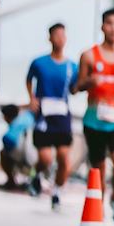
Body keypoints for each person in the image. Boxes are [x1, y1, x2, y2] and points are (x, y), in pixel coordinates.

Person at [76, 8, 114, 225]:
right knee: (98, 168)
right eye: (109, 23)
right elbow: (75, 87)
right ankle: (98, 205)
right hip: (95, 119)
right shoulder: (89, 55)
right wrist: (88, 83)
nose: (113, 28)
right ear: (102, 26)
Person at [26, 23, 79, 212]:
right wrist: (31, 99)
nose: (60, 39)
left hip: (62, 115)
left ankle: (57, 190)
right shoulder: (39, 63)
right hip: (43, 115)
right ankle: (36, 173)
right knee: (46, 158)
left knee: (64, 158)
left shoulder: (72, 66)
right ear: (50, 38)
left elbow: (74, 89)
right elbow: (28, 79)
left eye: (63, 35)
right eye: (56, 35)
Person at [0, 104, 35, 190]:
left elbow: (8, 140)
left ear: (7, 117)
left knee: (4, 153)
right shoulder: (27, 117)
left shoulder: (16, 125)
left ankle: (11, 181)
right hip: (38, 153)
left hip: (26, 157)